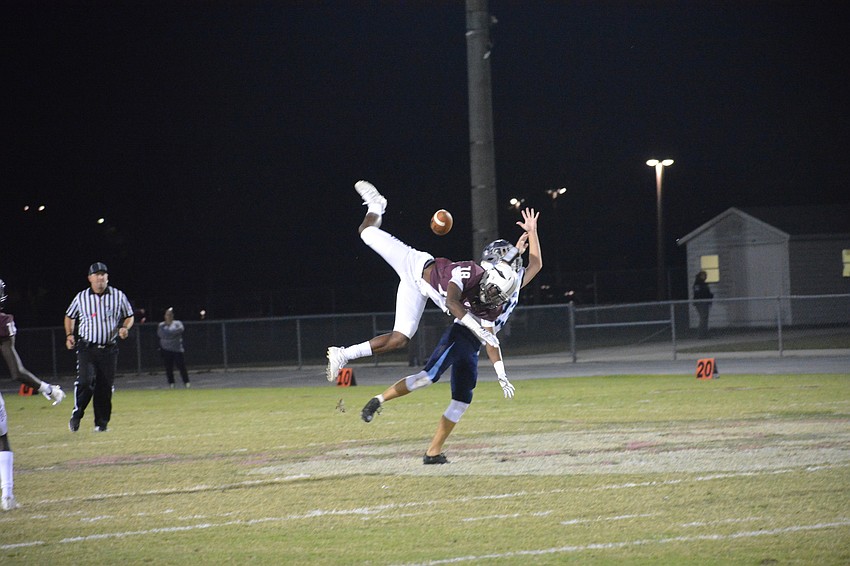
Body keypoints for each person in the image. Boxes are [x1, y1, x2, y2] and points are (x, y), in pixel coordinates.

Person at [361, 207, 542, 464]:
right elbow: (486, 330)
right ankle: (378, 400)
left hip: (477, 342)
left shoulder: (512, 282)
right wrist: (500, 371)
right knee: (427, 377)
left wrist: (532, 233)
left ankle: (433, 452)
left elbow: (535, 263)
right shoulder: (485, 286)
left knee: (462, 399)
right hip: (465, 333)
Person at [326, 180, 520, 382]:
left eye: (498, 295)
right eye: (495, 290)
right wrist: (476, 327)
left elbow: (491, 341)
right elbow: (451, 302)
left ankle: (343, 354)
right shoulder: (471, 272)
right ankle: (377, 204)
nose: (493, 296)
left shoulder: (490, 305)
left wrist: (501, 374)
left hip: (419, 289)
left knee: (399, 339)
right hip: (413, 264)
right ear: (489, 279)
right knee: (365, 232)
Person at [0, 279, 66, 511]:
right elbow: (16, 372)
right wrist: (47, 388)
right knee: (2, 439)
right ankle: (7, 495)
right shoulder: (3, 321)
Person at [64, 262, 134, 432]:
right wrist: (69, 335)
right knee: (86, 382)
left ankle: (101, 425)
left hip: (109, 349)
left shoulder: (118, 296)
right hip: (87, 348)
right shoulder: (81, 297)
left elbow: (129, 315)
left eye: (103, 274)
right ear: (90, 278)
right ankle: (77, 413)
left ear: (107, 277)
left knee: (104, 387)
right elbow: (69, 315)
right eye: (97, 275)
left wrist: (125, 327)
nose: (100, 277)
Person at [157, 307, 190, 388]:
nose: (168, 316)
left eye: (170, 315)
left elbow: (179, 330)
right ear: (165, 316)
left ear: (172, 316)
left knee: (181, 366)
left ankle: (186, 382)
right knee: (168, 368)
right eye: (167, 315)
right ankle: (171, 383)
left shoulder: (178, 323)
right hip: (165, 350)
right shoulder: (161, 325)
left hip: (177, 349)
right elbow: (161, 334)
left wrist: (168, 334)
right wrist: (171, 334)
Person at [692, 270, 714, 338]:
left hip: (705, 302)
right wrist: (707, 295)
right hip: (700, 302)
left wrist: (710, 295)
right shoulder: (697, 284)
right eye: (704, 275)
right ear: (700, 276)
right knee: (703, 318)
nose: (705, 277)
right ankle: (701, 334)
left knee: (705, 318)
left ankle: (705, 333)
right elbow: (698, 293)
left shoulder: (704, 284)